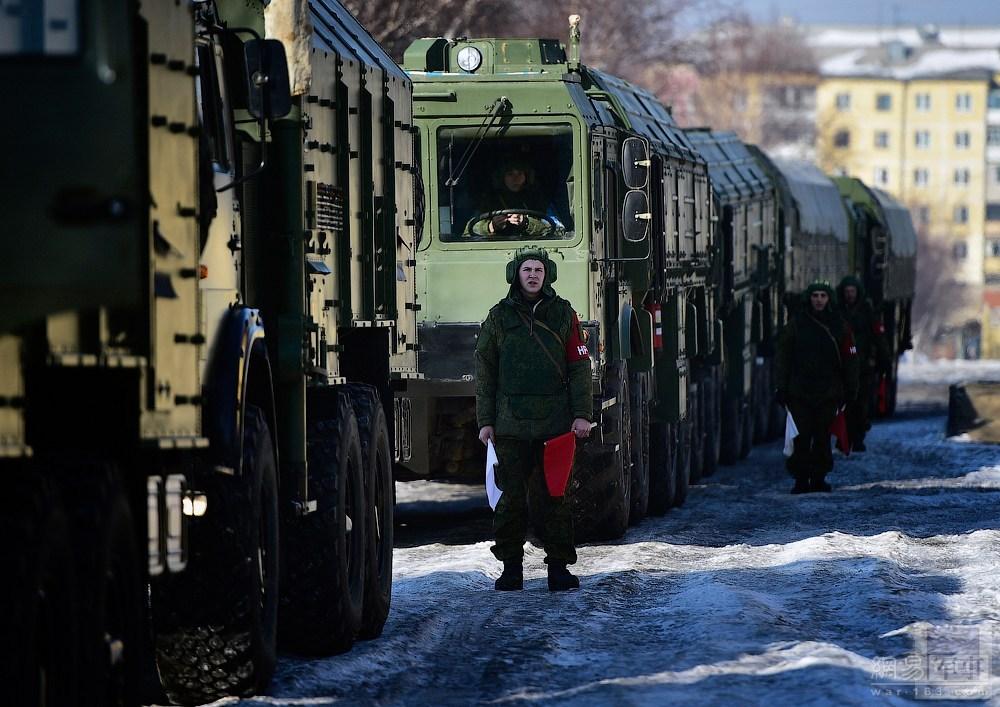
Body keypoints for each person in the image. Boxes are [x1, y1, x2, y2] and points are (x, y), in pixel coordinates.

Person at [475, 246, 592, 591]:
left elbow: (579, 366)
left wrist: (582, 414)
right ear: (516, 274)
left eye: (538, 269)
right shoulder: (498, 318)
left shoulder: (563, 314)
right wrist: (486, 421)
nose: (532, 275)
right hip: (510, 424)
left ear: (547, 275)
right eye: (527, 269)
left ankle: (558, 567)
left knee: (556, 497)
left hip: (555, 425)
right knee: (510, 500)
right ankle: (511, 569)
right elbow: (485, 371)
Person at [775, 281, 860, 494]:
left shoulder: (839, 325)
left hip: (828, 391)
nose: (819, 300)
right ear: (809, 298)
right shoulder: (796, 325)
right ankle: (801, 479)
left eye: (823, 296)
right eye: (815, 296)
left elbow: (850, 357)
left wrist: (851, 388)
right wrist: (781, 387)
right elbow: (783, 357)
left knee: (822, 436)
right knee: (801, 437)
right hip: (800, 391)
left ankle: (819, 478)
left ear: (829, 298)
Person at [836, 275, 889, 452]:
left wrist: (883, 360)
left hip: (862, 365)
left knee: (861, 404)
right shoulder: (838, 311)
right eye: (847, 292)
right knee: (844, 403)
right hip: (843, 365)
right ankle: (845, 436)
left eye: (852, 291)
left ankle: (857, 437)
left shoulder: (866, 311)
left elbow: (877, 336)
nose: (850, 295)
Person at [474, 158, 553, 237]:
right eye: (510, 174)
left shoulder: (537, 199)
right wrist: (491, 226)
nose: (516, 179)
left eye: (520, 173)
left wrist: (526, 223)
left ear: (526, 176)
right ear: (502, 177)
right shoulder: (490, 200)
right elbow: (469, 230)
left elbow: (556, 229)